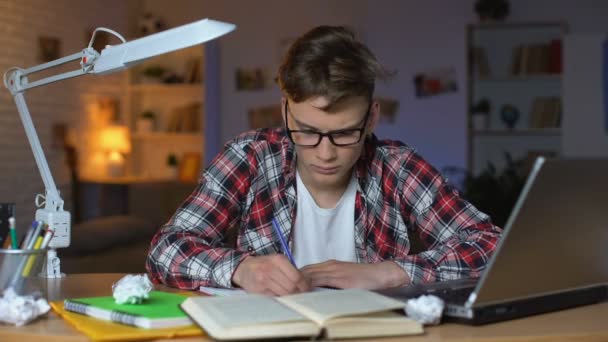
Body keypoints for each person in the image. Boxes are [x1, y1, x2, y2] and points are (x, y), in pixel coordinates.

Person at [146, 25, 502, 296]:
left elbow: (491, 245)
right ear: (285, 111)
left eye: (345, 133)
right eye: (307, 131)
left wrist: (391, 272)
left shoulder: (397, 166)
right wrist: (240, 269)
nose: (326, 153)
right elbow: (166, 248)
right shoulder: (249, 157)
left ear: (372, 118)